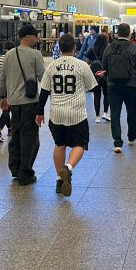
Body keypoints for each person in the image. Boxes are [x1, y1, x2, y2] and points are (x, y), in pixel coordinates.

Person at [38, 33, 99, 197]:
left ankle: (59, 179)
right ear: (74, 47)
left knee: (59, 145)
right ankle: (68, 168)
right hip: (76, 114)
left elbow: (43, 91)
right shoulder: (81, 65)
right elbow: (94, 88)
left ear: (60, 47)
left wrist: (39, 113)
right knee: (80, 144)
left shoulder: (52, 66)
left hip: (56, 114)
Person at [0, 24, 47, 185]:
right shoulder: (35, 54)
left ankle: (15, 168)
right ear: (27, 37)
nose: (37, 38)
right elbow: (43, 77)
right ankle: (25, 173)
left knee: (15, 136)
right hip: (30, 103)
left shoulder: (9, 54)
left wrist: (3, 97)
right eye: (35, 35)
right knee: (30, 139)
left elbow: (2, 77)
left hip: (13, 103)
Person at [102, 23, 136, 153]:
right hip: (130, 86)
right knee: (131, 111)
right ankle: (132, 137)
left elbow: (103, 68)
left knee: (115, 113)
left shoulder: (109, 48)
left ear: (117, 33)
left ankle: (117, 143)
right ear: (129, 34)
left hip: (113, 86)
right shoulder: (134, 48)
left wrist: (108, 82)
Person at [0, 41, 15, 142]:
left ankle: (10, 129)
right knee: (6, 109)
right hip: (8, 87)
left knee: (5, 108)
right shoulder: (12, 58)